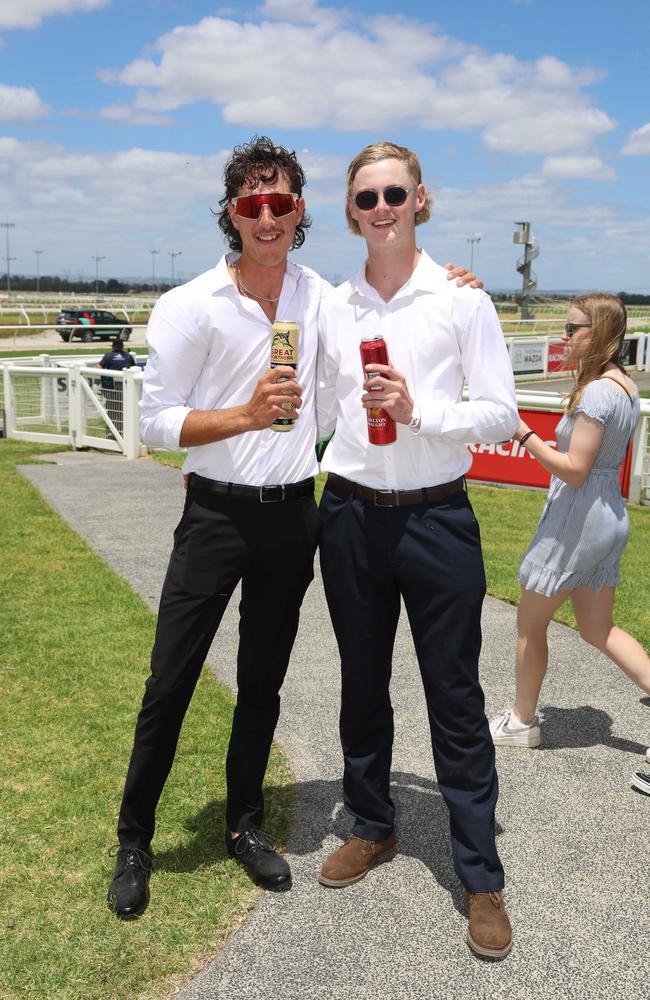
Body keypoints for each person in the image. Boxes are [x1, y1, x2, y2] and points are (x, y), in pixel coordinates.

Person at [105, 132, 485, 920]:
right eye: (253, 204)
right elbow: (156, 425)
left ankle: (245, 822)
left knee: (263, 686)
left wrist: (455, 281)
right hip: (215, 513)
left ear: (303, 209)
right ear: (233, 214)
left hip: (294, 518)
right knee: (170, 681)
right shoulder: (188, 305)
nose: (267, 216)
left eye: (281, 202)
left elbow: (395, 307)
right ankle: (134, 839)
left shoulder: (322, 297)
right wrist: (245, 414)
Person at [316, 141, 518, 960]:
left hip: (438, 517)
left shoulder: (462, 300)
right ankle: (374, 824)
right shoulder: (334, 305)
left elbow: (502, 413)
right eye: (367, 197)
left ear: (421, 199)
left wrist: (422, 412)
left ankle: (481, 875)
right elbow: (304, 408)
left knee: (456, 697)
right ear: (352, 211)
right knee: (361, 683)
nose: (383, 207)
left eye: (395, 192)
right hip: (352, 515)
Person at [489, 293, 650, 787]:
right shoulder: (624, 387)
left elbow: (575, 470)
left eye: (574, 328)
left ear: (600, 331)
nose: (564, 336)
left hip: (578, 521)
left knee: (528, 624)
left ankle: (521, 721)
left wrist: (522, 434)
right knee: (598, 631)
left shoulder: (600, 392)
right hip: (607, 518)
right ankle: (521, 718)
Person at [97, 337, 137, 434]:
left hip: (112, 388)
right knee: (123, 410)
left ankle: (110, 432)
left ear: (113, 346)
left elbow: (98, 367)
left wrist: (105, 377)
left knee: (111, 410)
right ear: (122, 346)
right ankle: (122, 431)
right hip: (125, 388)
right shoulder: (128, 356)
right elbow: (135, 368)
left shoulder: (108, 356)